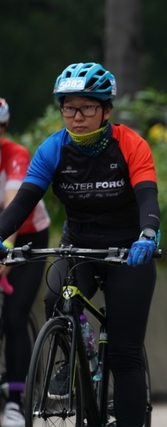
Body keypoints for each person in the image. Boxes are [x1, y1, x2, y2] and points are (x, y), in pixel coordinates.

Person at [0, 63, 160, 427]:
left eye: (87, 107)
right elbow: (22, 202)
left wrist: (148, 234)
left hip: (127, 252)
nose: (77, 117)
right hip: (79, 245)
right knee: (56, 299)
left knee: (124, 355)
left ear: (106, 110)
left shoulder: (130, 144)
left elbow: (148, 199)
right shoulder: (53, 149)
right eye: (69, 108)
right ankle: (76, 351)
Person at [0, 98, 51, 427]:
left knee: (14, 316)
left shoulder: (16, 155)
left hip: (27, 237)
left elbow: (12, 210)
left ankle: (16, 402)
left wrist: (4, 251)